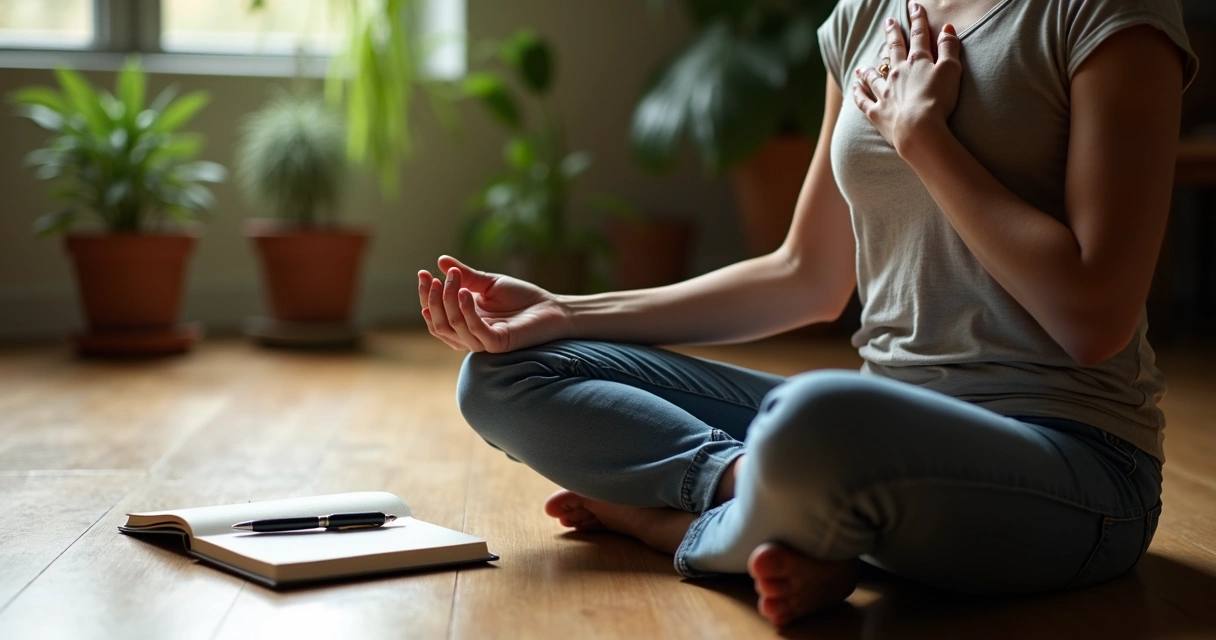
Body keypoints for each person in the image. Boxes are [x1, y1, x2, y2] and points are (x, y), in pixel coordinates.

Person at [417, 0, 1200, 628]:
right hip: (871, 435)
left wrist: (924, 138)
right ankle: (770, 502)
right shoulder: (865, 16)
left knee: (815, 414)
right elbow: (804, 276)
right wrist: (563, 311)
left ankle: (675, 524)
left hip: (1075, 465)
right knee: (499, 377)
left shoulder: (1107, 15)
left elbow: (1093, 316)